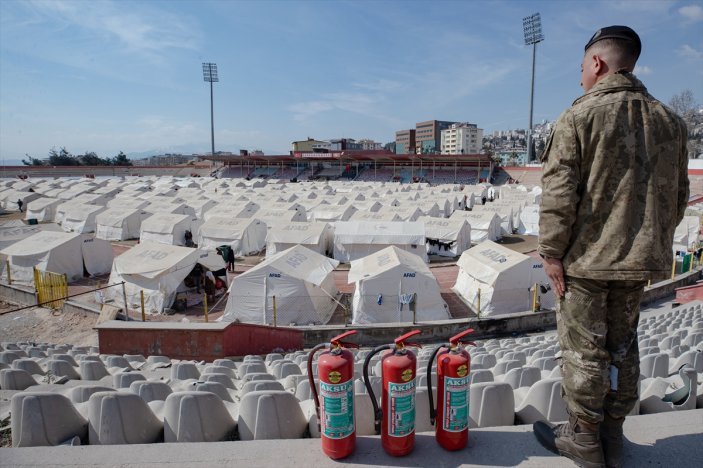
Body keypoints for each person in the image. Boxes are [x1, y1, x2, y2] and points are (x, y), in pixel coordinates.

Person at [533, 25, 689, 468]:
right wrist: (644, 245)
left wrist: (551, 253)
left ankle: (584, 440)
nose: (580, 74)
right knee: (623, 349)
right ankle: (613, 437)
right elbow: (676, 198)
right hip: (637, 263)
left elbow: (559, 195)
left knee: (584, 351)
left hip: (586, 264)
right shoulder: (670, 121)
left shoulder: (580, 115)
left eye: (583, 66)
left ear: (598, 63)